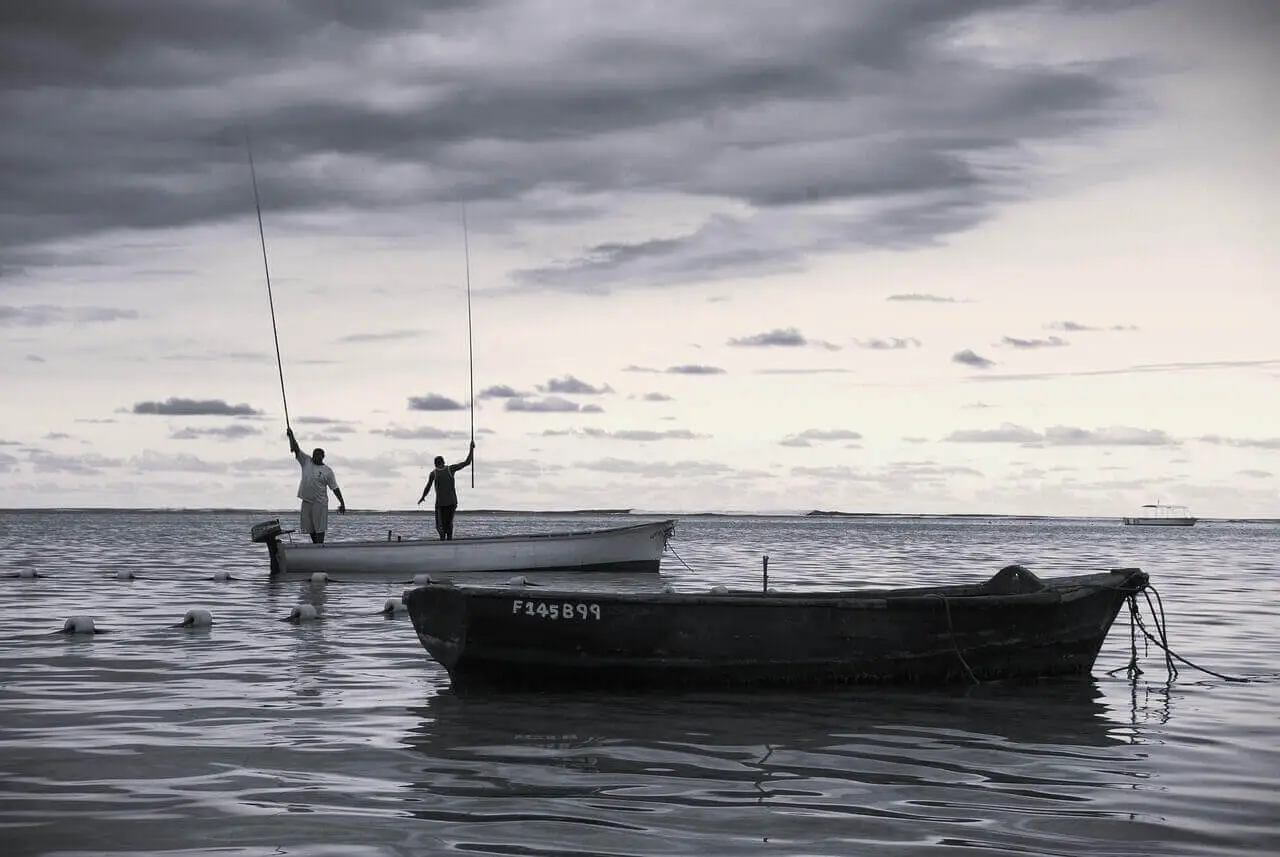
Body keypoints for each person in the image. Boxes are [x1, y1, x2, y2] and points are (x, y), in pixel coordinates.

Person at [287, 427, 346, 543]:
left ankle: (320, 546)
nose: (315, 456)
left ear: (323, 457)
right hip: (307, 500)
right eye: (314, 454)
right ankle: (316, 545)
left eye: (318, 455)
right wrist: (291, 436)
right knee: (309, 528)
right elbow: (295, 449)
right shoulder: (306, 461)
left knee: (319, 528)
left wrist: (342, 502)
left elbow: (335, 488)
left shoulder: (327, 471)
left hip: (320, 503)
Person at [417, 441, 475, 539]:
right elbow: (467, 462)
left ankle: (443, 540)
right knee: (448, 523)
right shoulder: (450, 469)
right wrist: (471, 449)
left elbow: (428, 487)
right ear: (443, 462)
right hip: (452, 502)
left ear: (435, 464)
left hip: (441, 504)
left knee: (440, 525)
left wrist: (423, 497)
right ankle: (448, 540)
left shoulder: (434, 473)